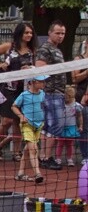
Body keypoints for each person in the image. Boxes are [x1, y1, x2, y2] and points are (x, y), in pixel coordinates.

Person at [0, 22, 36, 160]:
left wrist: (30, 69)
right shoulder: (9, 47)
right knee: (6, 121)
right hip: (8, 89)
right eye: (26, 32)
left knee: (18, 122)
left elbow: (37, 67)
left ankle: (16, 152)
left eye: (31, 33)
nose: (29, 35)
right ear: (20, 33)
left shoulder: (33, 51)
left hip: (24, 89)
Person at [35, 20, 69, 170]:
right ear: (50, 33)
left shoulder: (57, 50)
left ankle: (44, 156)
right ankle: (46, 157)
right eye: (57, 33)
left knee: (50, 126)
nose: (60, 36)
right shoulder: (45, 49)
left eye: (63, 33)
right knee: (55, 125)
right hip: (50, 93)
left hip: (58, 93)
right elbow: (39, 68)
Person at [11, 76, 47, 183]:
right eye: (41, 81)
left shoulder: (42, 94)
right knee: (34, 149)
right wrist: (21, 116)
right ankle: (37, 174)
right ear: (33, 82)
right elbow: (14, 106)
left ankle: (20, 173)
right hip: (27, 125)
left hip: (39, 125)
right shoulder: (24, 95)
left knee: (28, 149)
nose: (43, 83)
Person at [58, 85, 82, 166]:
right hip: (61, 127)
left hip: (71, 127)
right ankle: (58, 158)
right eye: (65, 95)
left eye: (68, 96)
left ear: (72, 96)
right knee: (60, 143)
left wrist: (80, 126)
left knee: (69, 144)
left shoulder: (76, 105)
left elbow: (80, 116)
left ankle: (69, 159)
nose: (66, 97)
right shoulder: (61, 104)